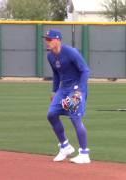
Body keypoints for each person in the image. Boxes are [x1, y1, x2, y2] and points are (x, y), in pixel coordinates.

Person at [43, 29, 91, 164]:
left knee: (75, 117)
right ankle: (65, 146)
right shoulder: (50, 56)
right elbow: (56, 74)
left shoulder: (71, 52)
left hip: (76, 89)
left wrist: (80, 91)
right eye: (46, 39)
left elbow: (85, 70)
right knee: (51, 114)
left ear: (58, 40)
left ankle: (84, 153)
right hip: (63, 89)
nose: (47, 42)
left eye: (49, 39)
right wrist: (54, 91)